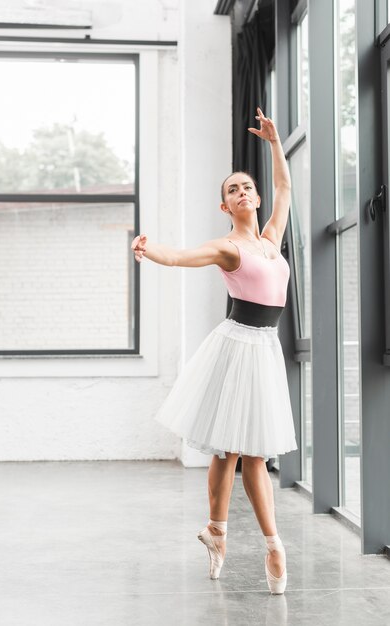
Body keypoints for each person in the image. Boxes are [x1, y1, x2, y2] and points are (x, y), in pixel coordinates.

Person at [131, 107, 297, 594]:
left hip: (264, 347)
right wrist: (149, 247)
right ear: (226, 207)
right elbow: (182, 257)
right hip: (237, 345)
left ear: (257, 197)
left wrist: (274, 144)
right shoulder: (230, 248)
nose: (242, 192)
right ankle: (268, 543)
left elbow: (286, 190)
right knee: (239, 450)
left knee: (239, 449)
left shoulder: (271, 239)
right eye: (232, 190)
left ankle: (219, 532)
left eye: (247, 187)